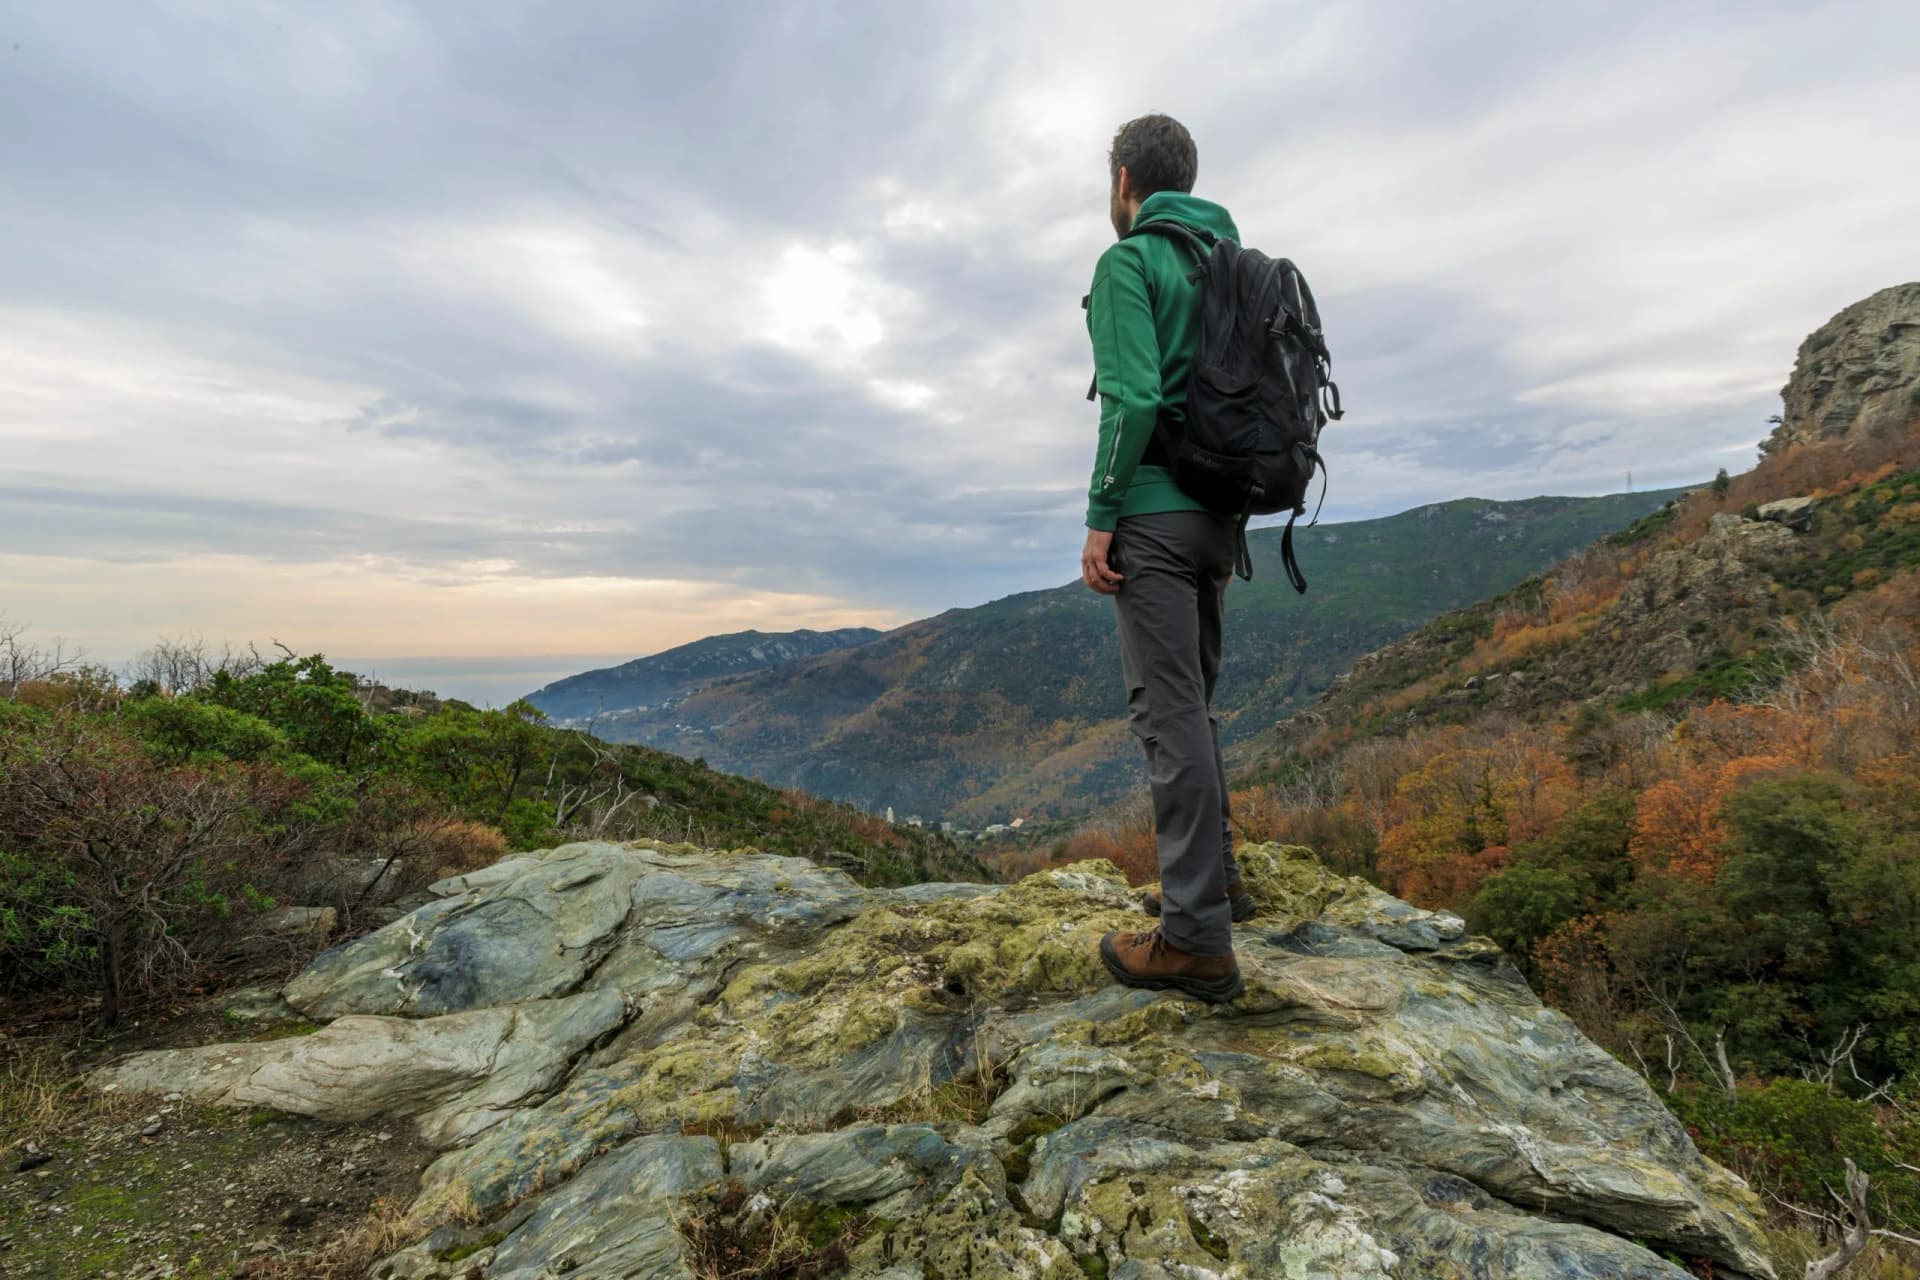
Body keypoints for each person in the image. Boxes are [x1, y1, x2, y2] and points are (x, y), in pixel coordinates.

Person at [1081, 114, 1250, 1004]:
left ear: (1122, 181)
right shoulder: (1227, 259)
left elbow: (1134, 396)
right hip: (1224, 518)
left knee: (1167, 716)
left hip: (1153, 512)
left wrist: (1103, 513)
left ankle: (1194, 939)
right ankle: (1217, 884)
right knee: (1197, 706)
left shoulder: (1129, 262)